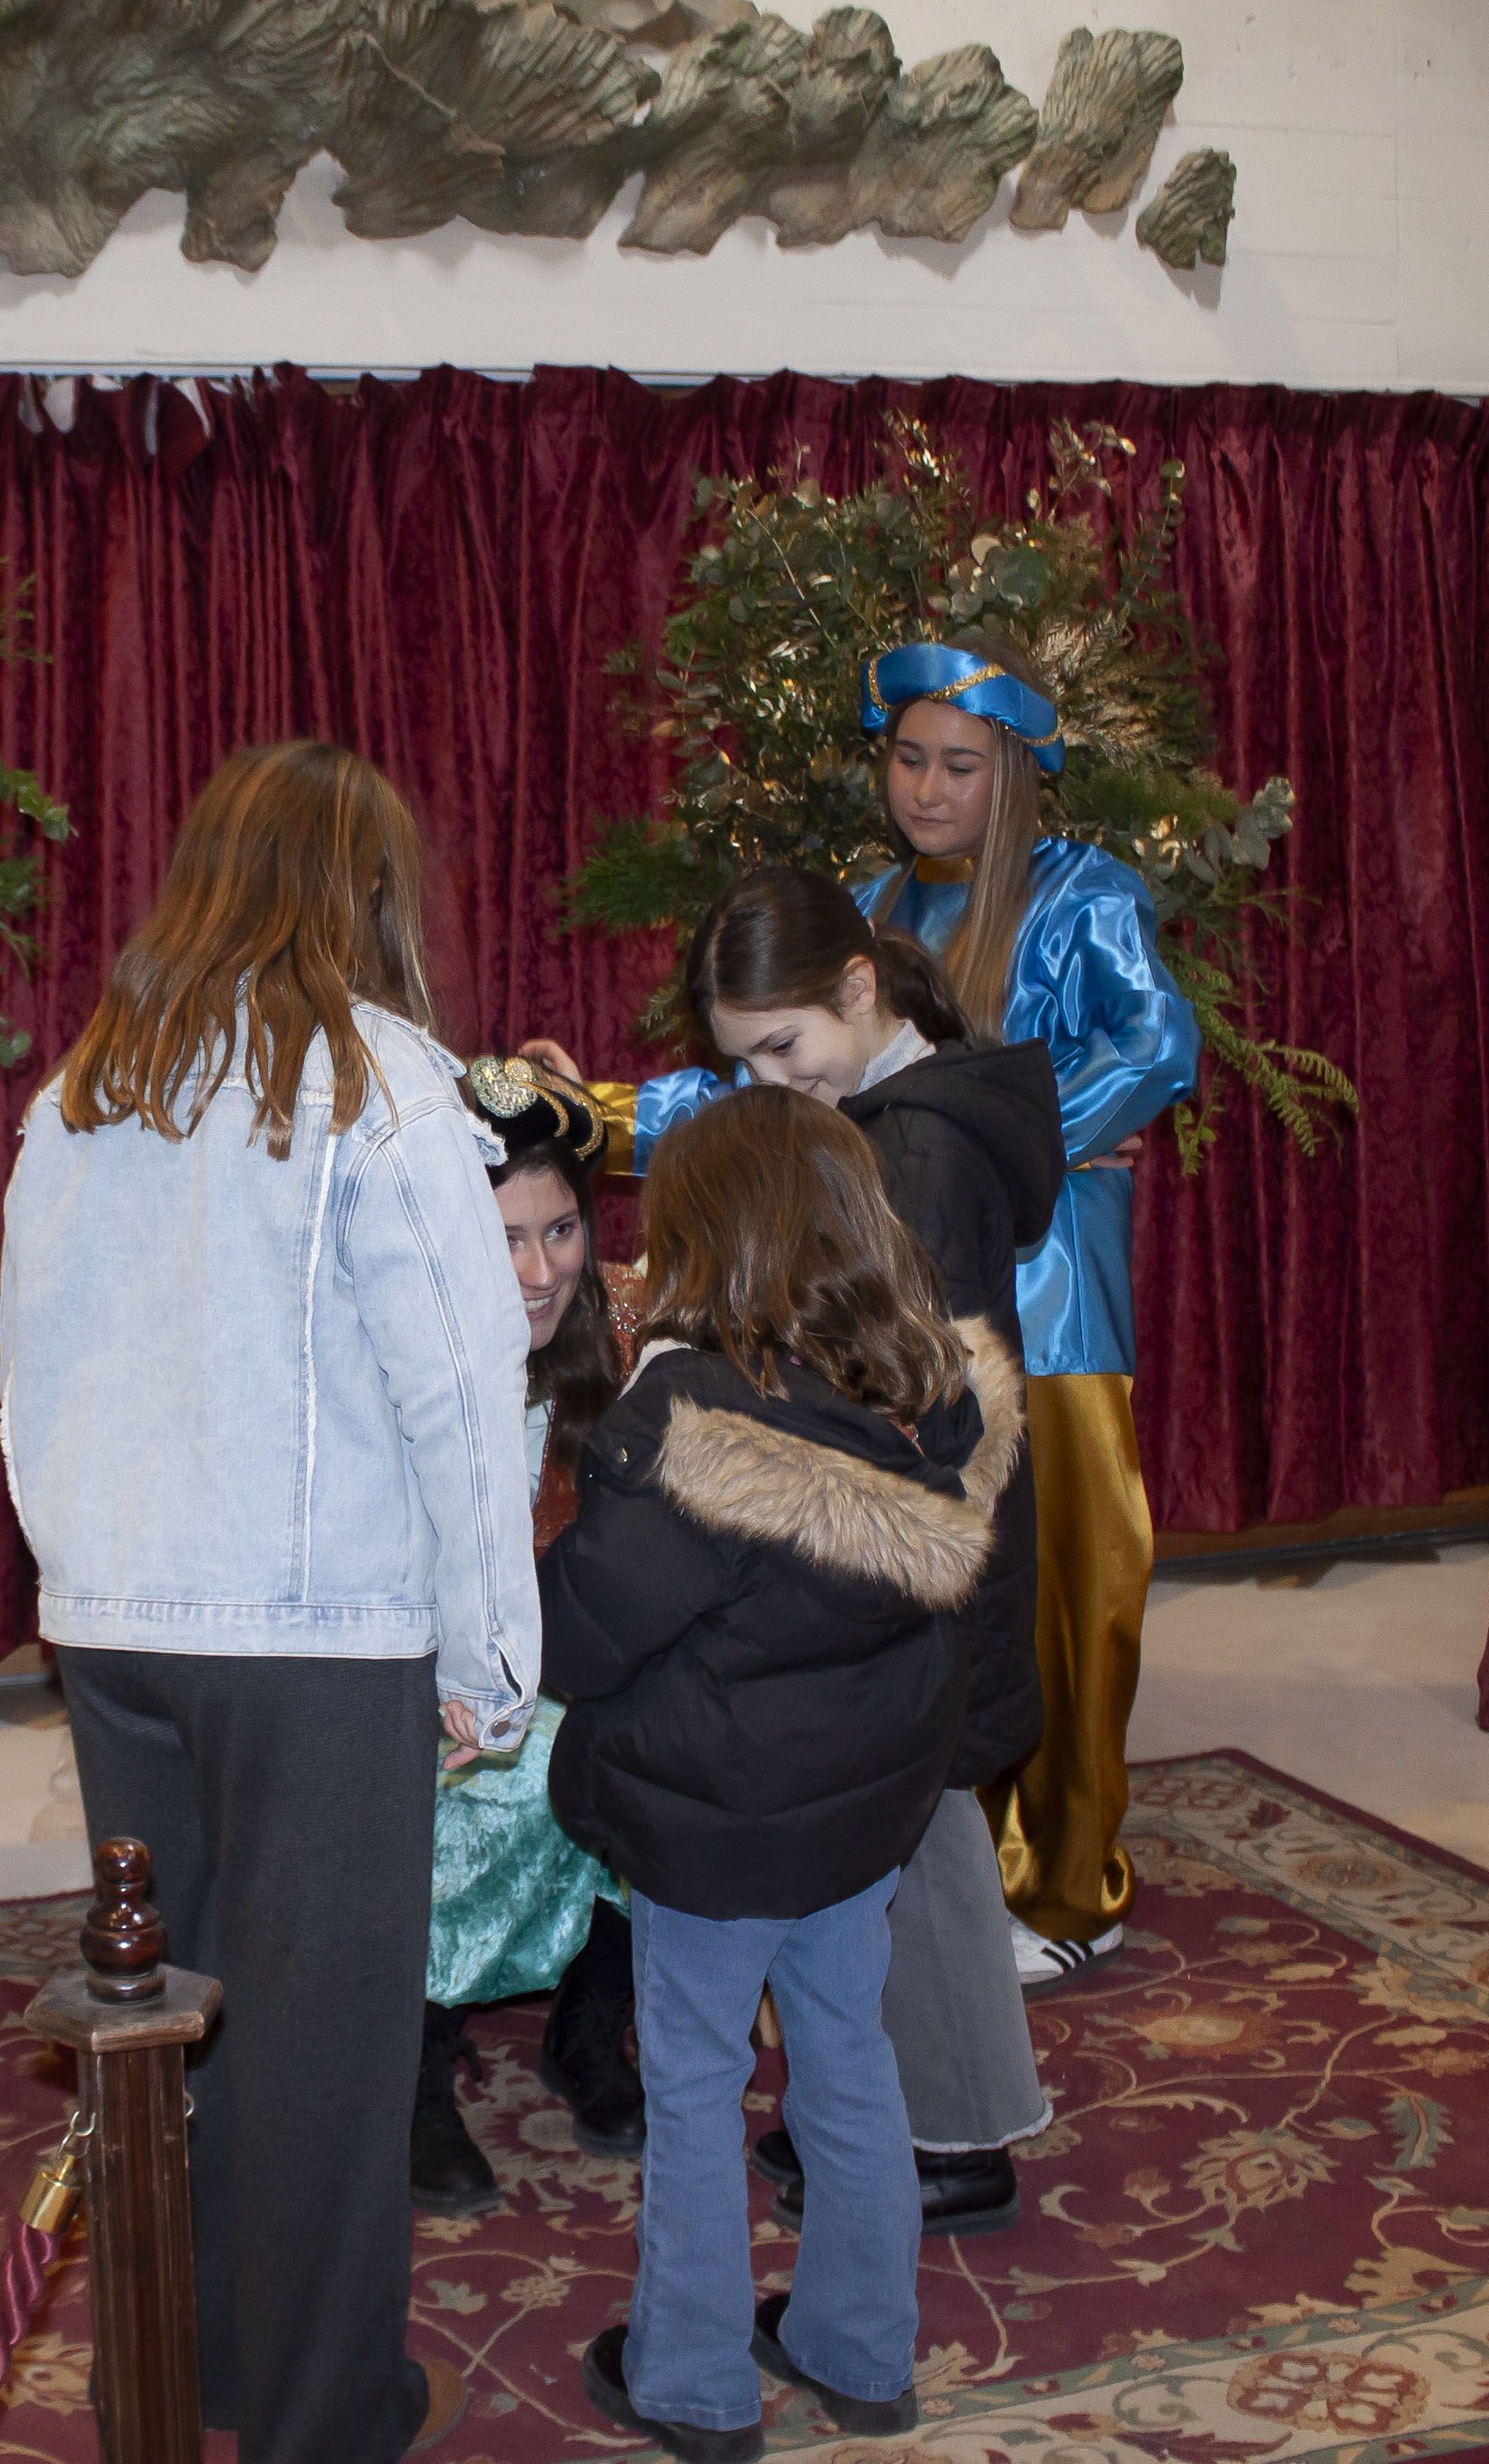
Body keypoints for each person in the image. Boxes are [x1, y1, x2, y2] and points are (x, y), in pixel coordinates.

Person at [0, 741, 536, 2463]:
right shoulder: (384, 1081)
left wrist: (78, 1577)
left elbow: (27, 1366)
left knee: (163, 2027)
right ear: (369, 892)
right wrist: (493, 1654)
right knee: (322, 2048)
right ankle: (322, 2420)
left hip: (114, 1623)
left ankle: (181, 2375)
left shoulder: (86, 1082)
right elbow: (462, 1395)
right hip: (317, 1638)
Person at [536, 640, 1196, 1991]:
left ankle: (1068, 1880)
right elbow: (761, 1096)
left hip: (1048, 1297)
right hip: (911, 1289)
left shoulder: (1077, 903)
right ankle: (942, 1901)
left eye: (960, 764)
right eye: (908, 758)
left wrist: (1040, 1135)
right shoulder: (869, 920)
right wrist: (593, 1115)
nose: (927, 788)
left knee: (1065, 1591)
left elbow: (1151, 1046)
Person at [541, 1087, 1024, 2464]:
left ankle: (691, 2379)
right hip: (863, 1817)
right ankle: (858, 2348)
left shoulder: (691, 1427)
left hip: (712, 1828)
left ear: (708, 1241)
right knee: (848, 2058)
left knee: (697, 2082)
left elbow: (579, 1635)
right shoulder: (929, 1402)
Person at [669, 865, 1061, 2238]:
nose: (770, 1089)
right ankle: (895, 2103)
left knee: (928, 1846)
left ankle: (955, 2134)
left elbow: (911, 1384)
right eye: (743, 1067)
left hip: (927, 1543)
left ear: (858, 987)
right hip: (922, 1536)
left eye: (784, 1049)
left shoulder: (917, 1151)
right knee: (899, 1839)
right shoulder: (894, 1115)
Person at [414, 1056, 644, 2215]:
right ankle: (414, 2057)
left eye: (561, 1231)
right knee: (467, 1773)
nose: (541, 1270)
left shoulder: (628, 1333)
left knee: (660, 1746)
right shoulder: (397, 1347)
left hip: (579, 1659)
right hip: (425, 1676)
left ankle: (591, 2023)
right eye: (505, 1237)